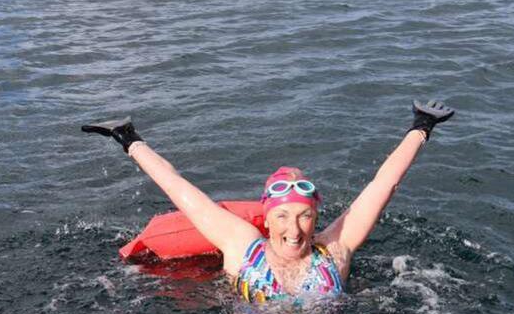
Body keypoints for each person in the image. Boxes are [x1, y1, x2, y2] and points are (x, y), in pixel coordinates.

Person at [83, 99, 454, 303]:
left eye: (305, 216)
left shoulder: (335, 249)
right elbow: (180, 189)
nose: (294, 230)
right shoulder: (241, 245)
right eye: (283, 216)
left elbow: (382, 186)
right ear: (267, 216)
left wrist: (421, 127)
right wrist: (129, 139)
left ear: (316, 215)